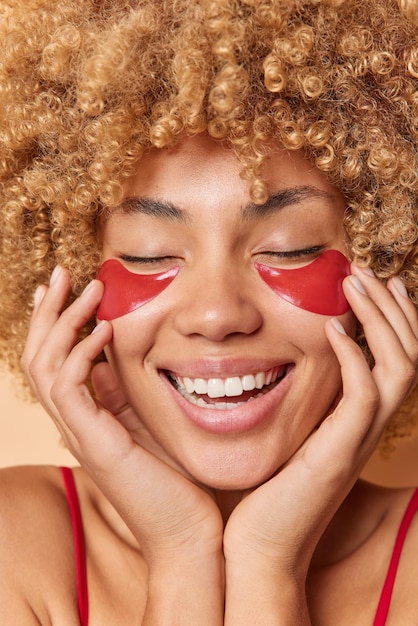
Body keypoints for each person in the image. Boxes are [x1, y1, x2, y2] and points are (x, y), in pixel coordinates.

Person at [0, 0, 417, 623]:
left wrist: (267, 563)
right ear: (73, 287)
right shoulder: (14, 545)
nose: (218, 315)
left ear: (387, 266)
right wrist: (181, 551)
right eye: (148, 255)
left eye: (290, 247)